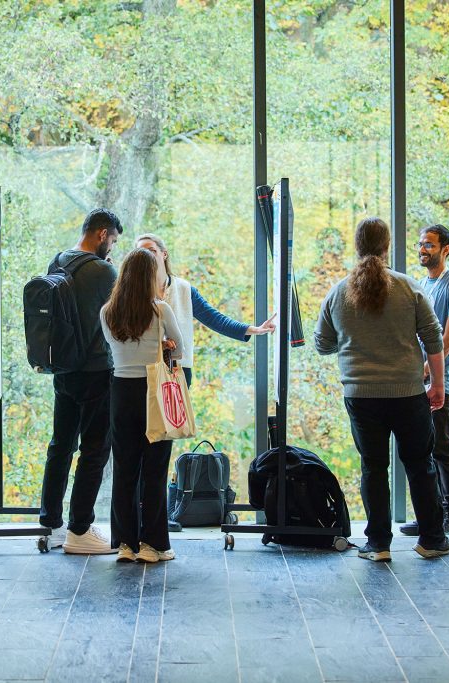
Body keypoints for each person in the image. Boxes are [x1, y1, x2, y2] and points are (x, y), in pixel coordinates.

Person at [313, 217, 449, 562]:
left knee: (373, 468)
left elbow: (323, 344)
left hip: (360, 396)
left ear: (357, 246)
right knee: (420, 464)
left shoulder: (338, 291)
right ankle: (432, 539)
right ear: (387, 246)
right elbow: (434, 338)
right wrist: (437, 383)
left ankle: (378, 544)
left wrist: (353, 340)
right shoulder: (408, 287)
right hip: (407, 392)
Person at [39, 208, 121, 555]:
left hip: (64, 369)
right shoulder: (103, 271)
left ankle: (51, 524)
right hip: (96, 369)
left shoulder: (57, 262)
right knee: (95, 450)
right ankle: (81, 528)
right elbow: (120, 317)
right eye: (113, 240)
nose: (113, 248)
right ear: (102, 234)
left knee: (61, 445)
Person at [101, 248, 183, 562]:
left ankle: (125, 543)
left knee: (124, 469)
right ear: (150, 277)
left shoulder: (107, 312)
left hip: (120, 391)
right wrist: (164, 345)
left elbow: (118, 347)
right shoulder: (160, 310)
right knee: (154, 469)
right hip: (154, 391)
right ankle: (153, 545)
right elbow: (179, 351)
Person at [399, 224, 449, 542]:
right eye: (420, 244)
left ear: (446, 249)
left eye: (428, 244)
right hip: (417, 379)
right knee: (423, 449)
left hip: (443, 378)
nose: (422, 249)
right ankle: (432, 515)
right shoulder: (422, 286)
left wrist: (430, 368)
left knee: (442, 447)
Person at [134, 233, 276, 386]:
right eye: (142, 253)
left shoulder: (184, 289)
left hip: (178, 368)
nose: (147, 256)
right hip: (144, 368)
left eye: (152, 251)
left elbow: (214, 319)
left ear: (164, 254)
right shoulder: (134, 292)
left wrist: (254, 329)